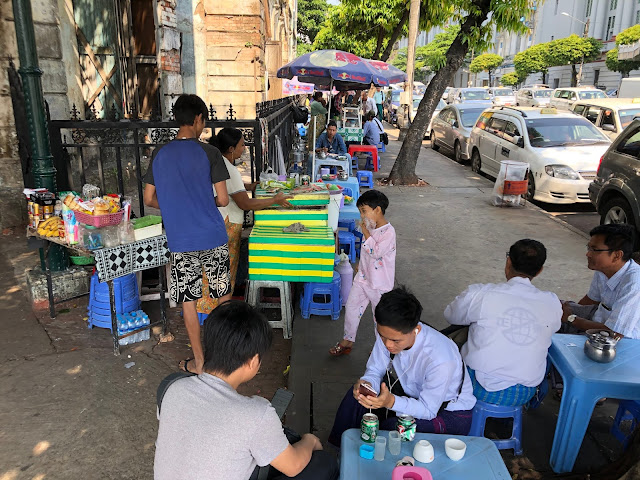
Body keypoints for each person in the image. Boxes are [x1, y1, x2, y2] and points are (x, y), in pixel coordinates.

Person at [155, 301, 339, 480]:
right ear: (253, 361)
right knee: (324, 463)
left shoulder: (172, 388)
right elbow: (293, 467)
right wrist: (310, 440)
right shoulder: (256, 414)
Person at [143, 94, 231, 375]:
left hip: (181, 241)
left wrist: (174, 205)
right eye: (203, 122)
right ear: (197, 120)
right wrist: (204, 201)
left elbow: (149, 198)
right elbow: (224, 199)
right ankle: (227, 359)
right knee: (222, 297)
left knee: (189, 301)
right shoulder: (209, 153)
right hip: (213, 236)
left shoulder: (160, 154)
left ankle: (201, 362)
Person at [328, 287, 477, 447]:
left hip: (448, 414)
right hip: (411, 395)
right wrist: (367, 384)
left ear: (416, 330)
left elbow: (428, 411)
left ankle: (372, 463)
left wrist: (390, 401)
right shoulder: (389, 333)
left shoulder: (440, 359)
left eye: (395, 341)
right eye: (382, 337)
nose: (388, 345)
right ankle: (341, 452)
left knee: (391, 430)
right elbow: (375, 369)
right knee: (356, 400)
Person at [444, 239, 562, 406]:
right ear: (539, 270)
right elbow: (554, 328)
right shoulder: (552, 302)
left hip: (476, 385)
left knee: (464, 331)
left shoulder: (481, 294)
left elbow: (451, 315)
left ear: (508, 262)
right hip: (523, 392)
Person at [197, 128, 292, 318]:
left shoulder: (219, 162)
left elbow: (231, 188)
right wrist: (274, 200)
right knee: (223, 272)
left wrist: (249, 186)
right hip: (226, 224)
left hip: (216, 222)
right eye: (241, 145)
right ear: (231, 148)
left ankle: (207, 311)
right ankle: (215, 316)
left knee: (213, 271)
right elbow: (245, 203)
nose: (244, 148)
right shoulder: (229, 169)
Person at [329, 190, 396, 355]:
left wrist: (365, 232)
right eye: (361, 211)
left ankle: (382, 351)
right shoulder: (372, 228)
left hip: (380, 285)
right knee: (352, 308)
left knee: (379, 318)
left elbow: (376, 251)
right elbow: (367, 253)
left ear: (377, 210)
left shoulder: (389, 232)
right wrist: (361, 263)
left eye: (364, 211)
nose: (362, 215)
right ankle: (347, 340)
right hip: (363, 279)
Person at [561, 224, 640, 339]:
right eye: (589, 248)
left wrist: (571, 319)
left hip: (618, 341)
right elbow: (590, 300)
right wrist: (566, 311)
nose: (588, 254)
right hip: (597, 322)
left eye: (595, 250)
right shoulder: (602, 269)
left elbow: (615, 333)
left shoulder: (634, 283)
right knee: (554, 306)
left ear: (617, 255)